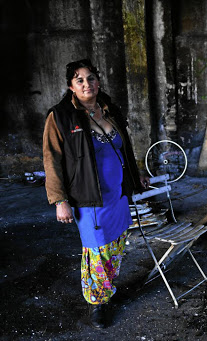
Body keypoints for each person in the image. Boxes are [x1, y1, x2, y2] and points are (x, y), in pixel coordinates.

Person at [42, 59, 149, 328]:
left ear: (98, 82)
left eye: (91, 78)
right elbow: (51, 159)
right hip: (89, 196)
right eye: (80, 80)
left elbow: (123, 147)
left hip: (118, 194)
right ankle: (97, 304)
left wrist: (136, 176)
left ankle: (107, 289)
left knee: (115, 245)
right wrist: (60, 200)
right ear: (71, 87)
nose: (86, 84)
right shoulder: (60, 116)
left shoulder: (108, 108)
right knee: (96, 249)